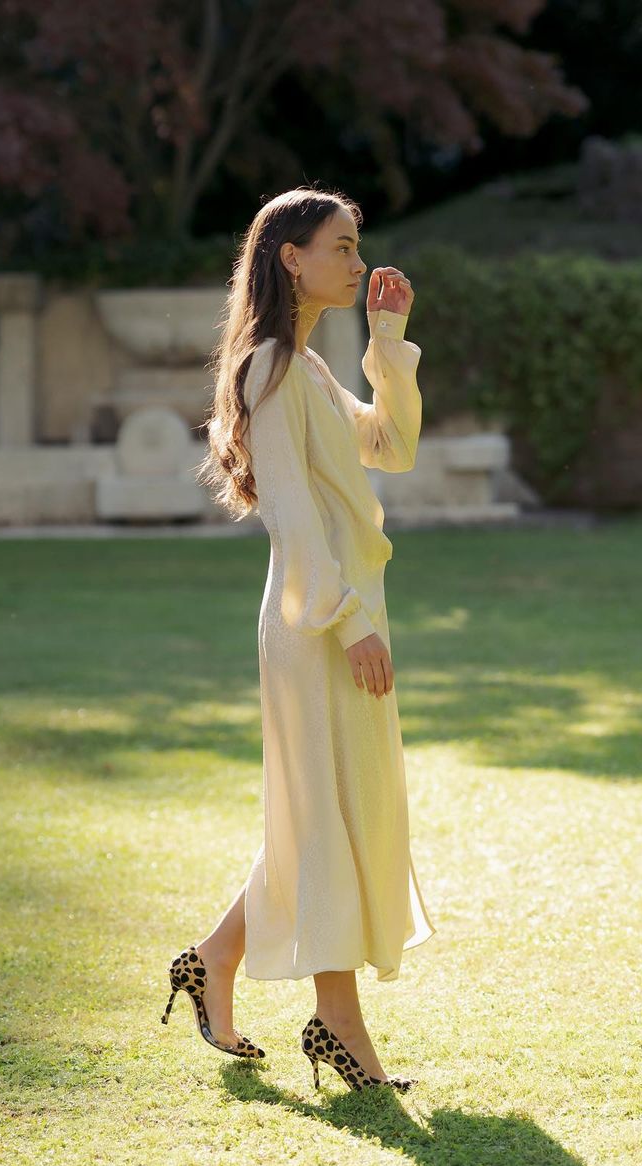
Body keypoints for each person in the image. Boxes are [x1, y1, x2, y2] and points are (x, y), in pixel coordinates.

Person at [160, 187, 436, 1092]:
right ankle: (338, 1024)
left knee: (330, 811)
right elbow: (289, 513)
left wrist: (387, 342)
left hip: (343, 609)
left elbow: (390, 446)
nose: (358, 262)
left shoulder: (308, 366)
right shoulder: (271, 367)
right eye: (341, 246)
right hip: (317, 620)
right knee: (324, 816)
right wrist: (349, 622)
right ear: (291, 256)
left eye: (357, 245)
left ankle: (212, 960)